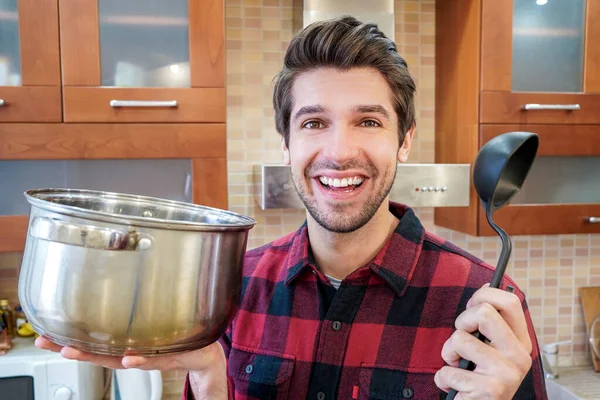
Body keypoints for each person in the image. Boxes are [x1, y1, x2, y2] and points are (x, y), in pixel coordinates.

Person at [36, 16, 548, 399]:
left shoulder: (483, 305)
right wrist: (212, 373)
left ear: (404, 140)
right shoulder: (232, 287)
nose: (339, 151)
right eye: (313, 123)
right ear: (286, 144)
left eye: (368, 122)